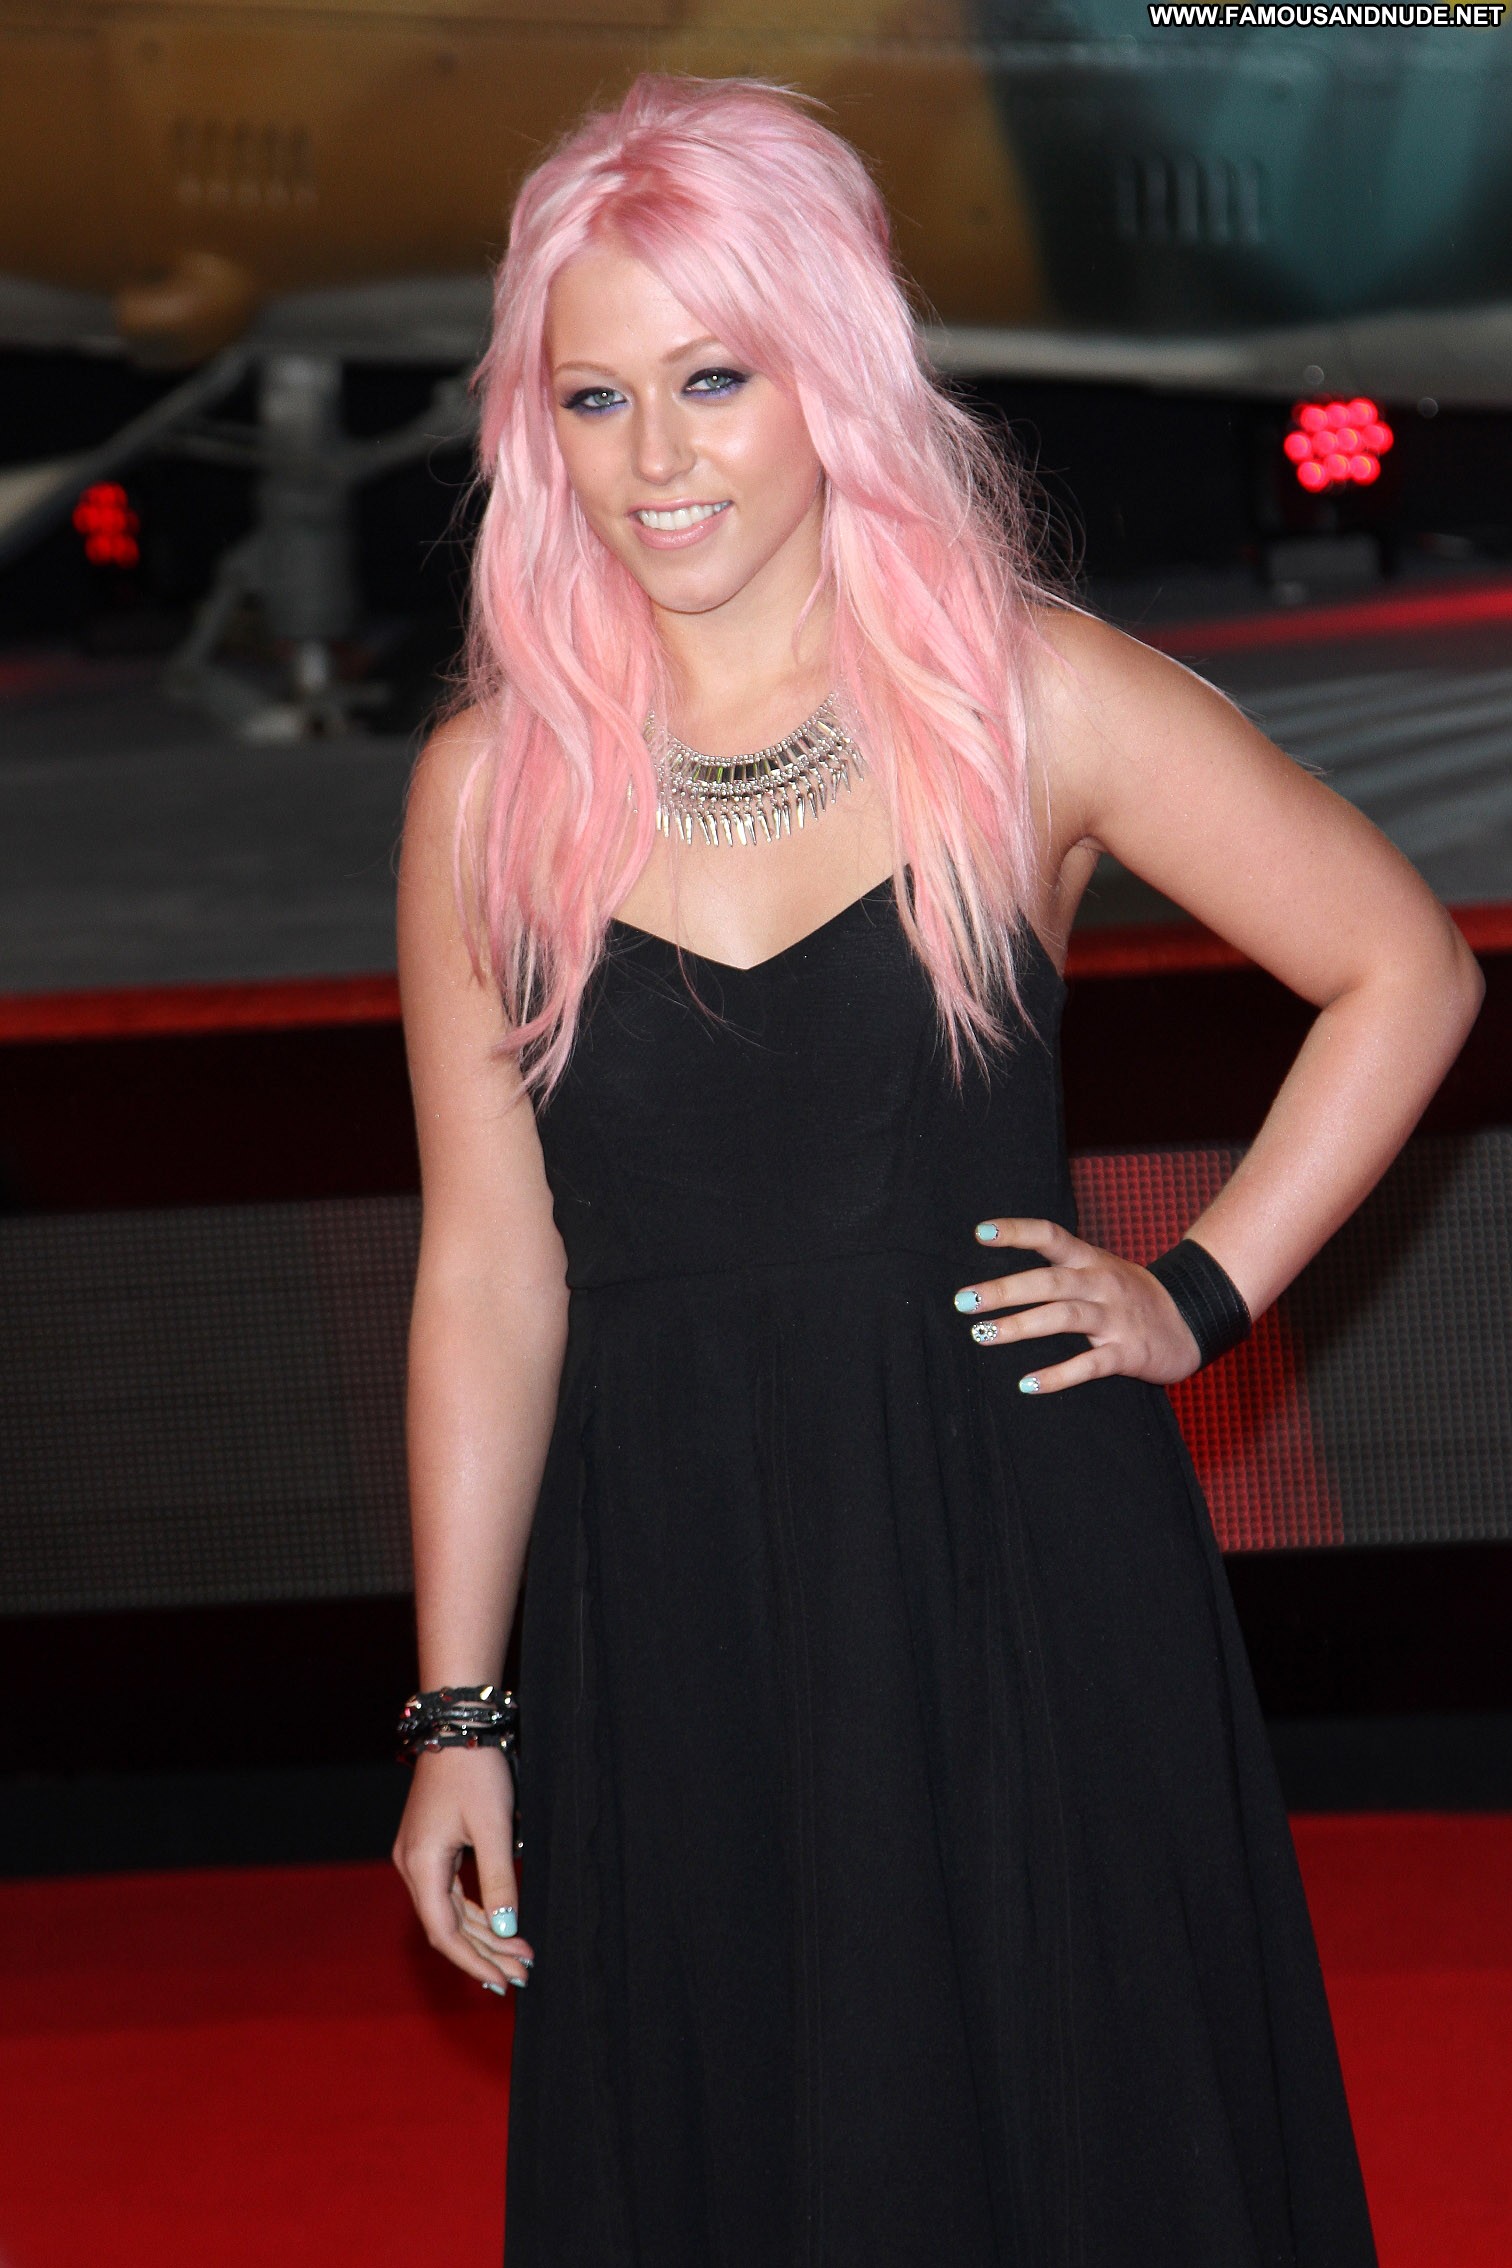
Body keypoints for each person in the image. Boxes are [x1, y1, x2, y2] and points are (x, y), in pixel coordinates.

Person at [390, 74, 1481, 2268]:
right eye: (596, 397)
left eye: (717, 377)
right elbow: (492, 1270)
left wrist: (1196, 1290)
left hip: (1016, 1562)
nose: (658, 456)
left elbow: (1403, 969)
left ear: (835, 371)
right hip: (670, 1597)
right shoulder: (490, 794)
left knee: (1082, 2147)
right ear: (536, 426)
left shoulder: (1024, 702)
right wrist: (461, 1713)